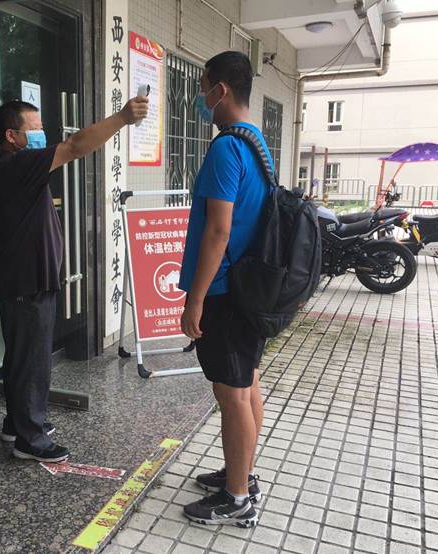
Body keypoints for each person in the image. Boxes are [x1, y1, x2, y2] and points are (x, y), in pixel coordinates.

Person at [0, 95, 148, 463]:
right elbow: (74, 147)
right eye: (35, 129)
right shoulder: (15, 165)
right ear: (11, 135)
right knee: (32, 359)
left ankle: (17, 422)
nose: (42, 135)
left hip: (23, 280)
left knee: (22, 355)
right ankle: (30, 439)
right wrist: (122, 118)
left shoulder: (13, 167)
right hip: (26, 283)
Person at [179, 51, 272, 528]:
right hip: (249, 289)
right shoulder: (257, 143)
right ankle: (242, 474)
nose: (201, 97)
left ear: (222, 90)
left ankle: (237, 499)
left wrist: (194, 299)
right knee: (247, 382)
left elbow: (218, 231)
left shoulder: (225, 148)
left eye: (203, 88)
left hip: (224, 293)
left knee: (231, 393)